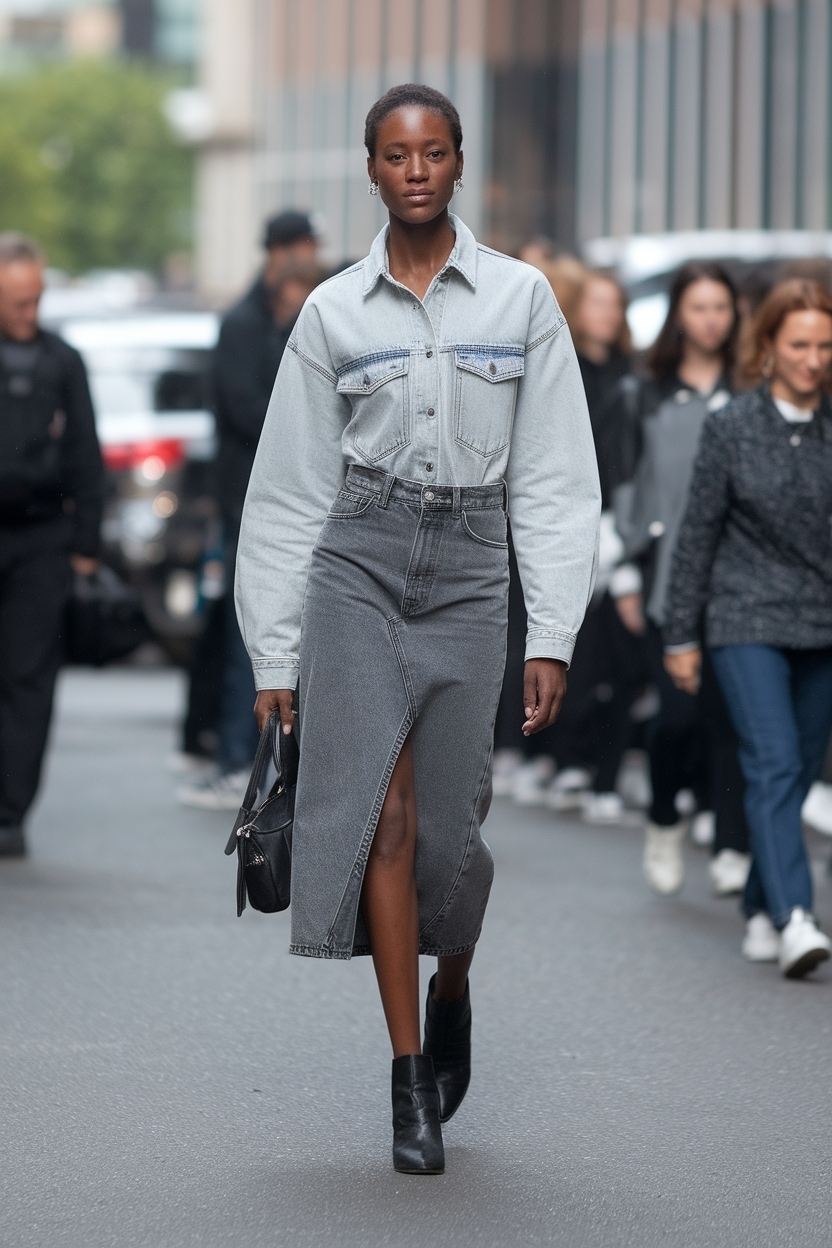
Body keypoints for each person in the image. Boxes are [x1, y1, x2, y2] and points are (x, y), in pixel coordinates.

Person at [235, 84, 600, 1174]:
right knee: (383, 820)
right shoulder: (333, 313)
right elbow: (290, 490)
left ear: (455, 162)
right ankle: (407, 1081)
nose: (416, 171)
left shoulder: (523, 299)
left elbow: (553, 474)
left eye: (434, 152)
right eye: (396, 155)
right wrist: (272, 648)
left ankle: (454, 985)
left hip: (472, 568)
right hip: (359, 560)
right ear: (371, 168)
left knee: (451, 833)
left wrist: (553, 632)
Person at [664, 279, 832, 977]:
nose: (815, 359)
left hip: (822, 622)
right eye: (799, 345)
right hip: (744, 617)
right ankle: (796, 915)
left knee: (795, 771)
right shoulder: (732, 427)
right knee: (774, 761)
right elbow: (696, 534)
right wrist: (681, 634)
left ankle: (762, 905)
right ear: (767, 346)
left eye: (826, 346)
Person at [608, 262, 750, 896]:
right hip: (667, 578)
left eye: (721, 307)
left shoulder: (751, 389)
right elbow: (628, 487)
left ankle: (731, 840)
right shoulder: (647, 393)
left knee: (733, 717)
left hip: (744, 578)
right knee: (676, 720)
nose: (711, 319)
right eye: (699, 307)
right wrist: (624, 579)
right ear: (678, 315)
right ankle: (664, 818)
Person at [178, 216, 323, 809]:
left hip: (299, 503)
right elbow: (258, 413)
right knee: (253, 633)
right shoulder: (245, 325)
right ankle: (238, 755)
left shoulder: (283, 321)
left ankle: (260, 757)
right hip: (252, 505)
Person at [0, 232, 104, 856]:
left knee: (28, 677)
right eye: (16, 301)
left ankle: (10, 811)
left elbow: (86, 454)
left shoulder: (63, 363)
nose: (27, 313)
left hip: (41, 539)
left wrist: (86, 544)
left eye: (34, 300)